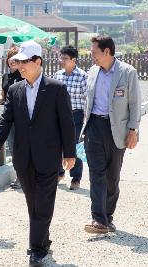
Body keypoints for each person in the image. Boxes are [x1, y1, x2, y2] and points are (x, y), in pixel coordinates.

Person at [0, 40, 76, 266]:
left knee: (43, 203)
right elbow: (6, 120)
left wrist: (69, 152)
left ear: (38, 62)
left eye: (25, 62)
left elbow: (67, 123)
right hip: (23, 157)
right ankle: (42, 240)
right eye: (18, 62)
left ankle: (36, 249)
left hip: (48, 156)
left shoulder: (56, 88)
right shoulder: (15, 90)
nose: (20, 66)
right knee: (32, 202)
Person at [82, 35, 141, 234]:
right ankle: (98, 219)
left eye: (94, 52)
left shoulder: (127, 72)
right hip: (94, 127)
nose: (92, 56)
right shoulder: (92, 72)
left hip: (117, 129)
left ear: (107, 51)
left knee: (112, 177)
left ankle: (108, 216)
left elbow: (134, 103)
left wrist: (133, 130)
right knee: (96, 173)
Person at [0, 46, 23, 189]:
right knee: (13, 147)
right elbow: (3, 96)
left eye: (16, 58)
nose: (12, 61)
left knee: (25, 147)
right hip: (9, 117)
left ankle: (27, 175)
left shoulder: (24, 75)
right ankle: (20, 176)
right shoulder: (6, 77)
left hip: (23, 117)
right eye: (10, 58)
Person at [54, 45, 88, 190]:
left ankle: (76, 178)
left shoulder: (82, 76)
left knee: (74, 146)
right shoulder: (58, 75)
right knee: (58, 144)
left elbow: (87, 99)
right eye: (61, 57)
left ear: (74, 60)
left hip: (76, 115)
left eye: (65, 58)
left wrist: (87, 119)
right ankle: (60, 172)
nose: (62, 60)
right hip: (59, 115)